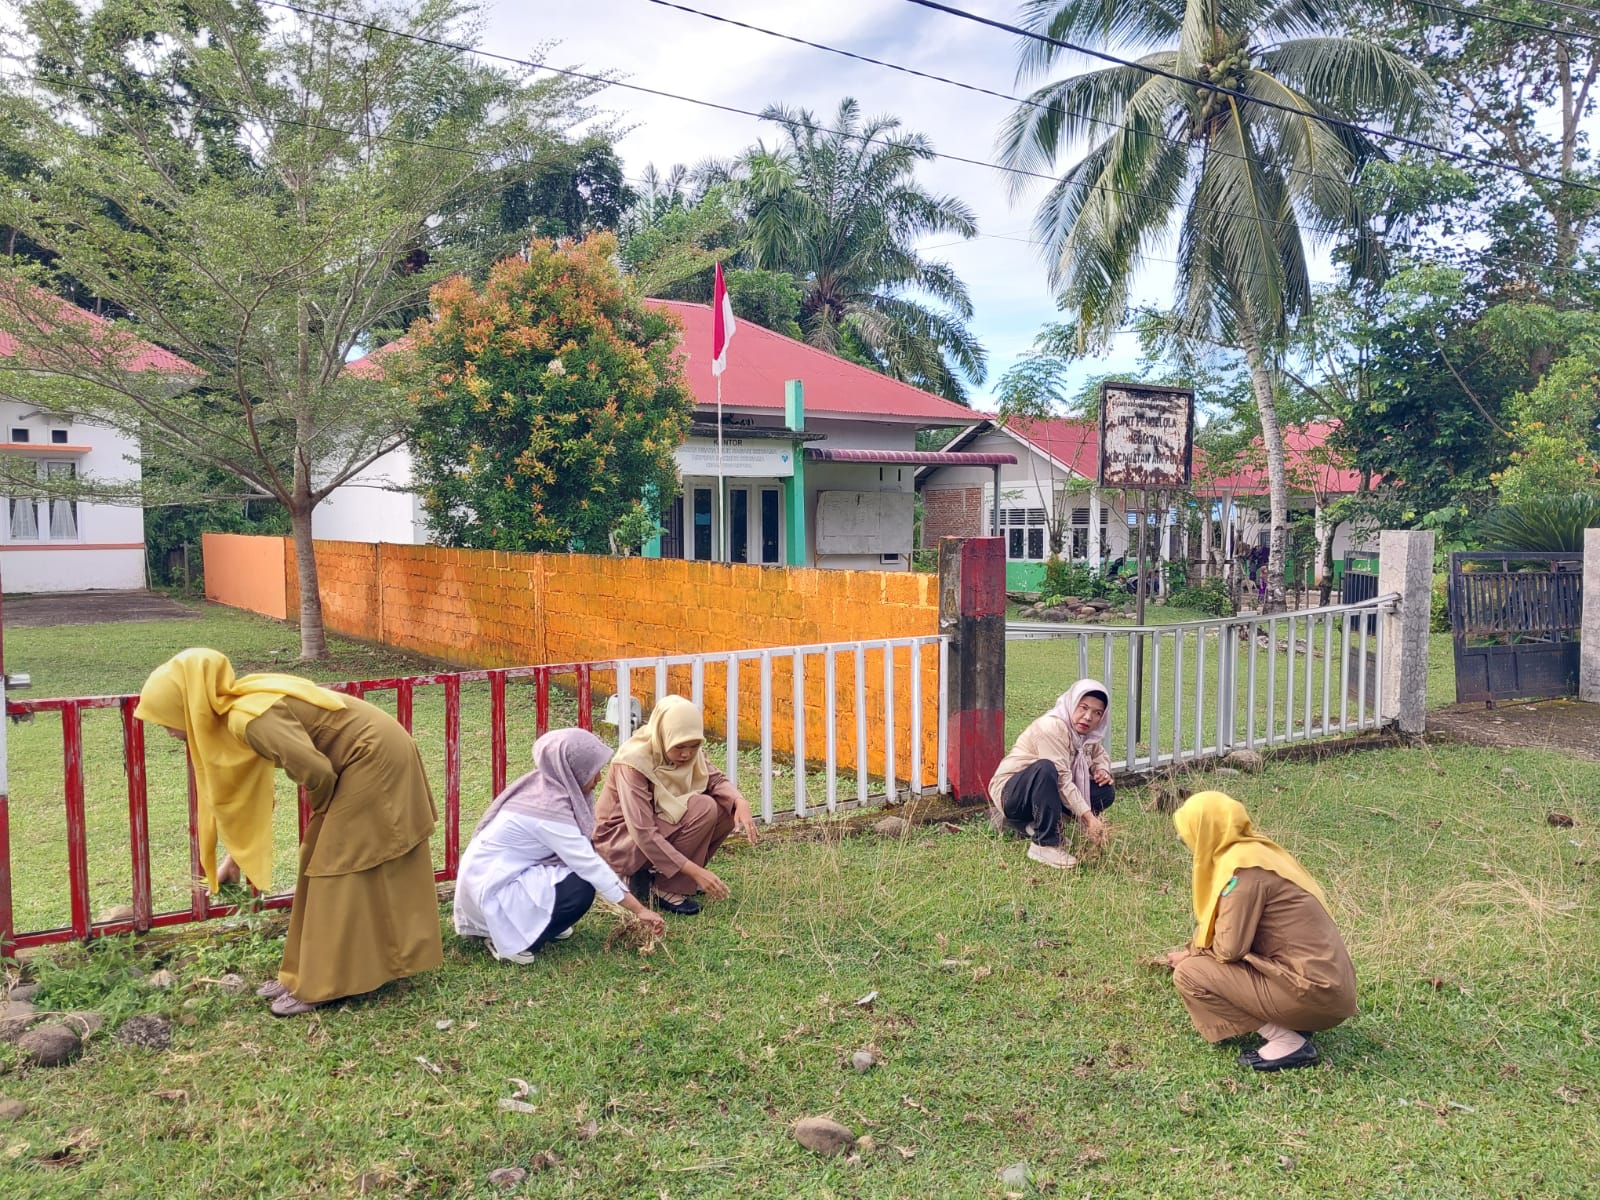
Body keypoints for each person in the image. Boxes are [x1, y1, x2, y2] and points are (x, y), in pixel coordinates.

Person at [135, 648, 443, 1017]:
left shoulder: (247, 717)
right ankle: (300, 975)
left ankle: (321, 985)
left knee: (334, 864)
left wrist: (327, 812)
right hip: (361, 758)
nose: (168, 731)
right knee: (316, 857)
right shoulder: (236, 706)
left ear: (188, 705)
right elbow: (255, 794)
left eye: (167, 718)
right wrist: (234, 860)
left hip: (373, 758)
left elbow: (317, 771)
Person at [1166, 791, 1357, 1071]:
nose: (1188, 844)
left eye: (1189, 835)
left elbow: (1230, 948)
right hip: (1327, 988)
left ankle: (1287, 1041)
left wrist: (1193, 956)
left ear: (1206, 832)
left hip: (1312, 992)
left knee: (1191, 974)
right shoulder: (1259, 852)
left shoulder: (1243, 871)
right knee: (1199, 961)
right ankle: (1293, 1020)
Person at [454, 729, 665, 961]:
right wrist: (640, 910)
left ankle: (540, 920)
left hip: (494, 879)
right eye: (592, 771)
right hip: (490, 893)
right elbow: (590, 865)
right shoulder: (548, 811)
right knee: (580, 886)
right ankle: (507, 937)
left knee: (573, 874)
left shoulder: (547, 786)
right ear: (573, 771)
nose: (599, 778)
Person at [592, 695, 759, 916]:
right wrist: (695, 871)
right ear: (663, 735)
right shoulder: (633, 762)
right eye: (680, 746)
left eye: (694, 745)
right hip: (620, 842)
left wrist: (740, 802)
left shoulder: (689, 753)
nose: (687, 754)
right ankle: (664, 886)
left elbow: (716, 781)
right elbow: (642, 831)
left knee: (726, 809)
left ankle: (666, 880)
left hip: (652, 829)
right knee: (703, 807)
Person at [987, 679, 1115, 869]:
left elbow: (1099, 754)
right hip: (1012, 794)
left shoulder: (1085, 735)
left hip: (1043, 792)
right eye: (1083, 707)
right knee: (1046, 769)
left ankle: (1041, 825)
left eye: (1097, 713)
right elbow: (1062, 780)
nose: (1088, 717)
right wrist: (1089, 818)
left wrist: (1101, 769)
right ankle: (1044, 843)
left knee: (1105, 791)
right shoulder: (1051, 727)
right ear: (1071, 703)